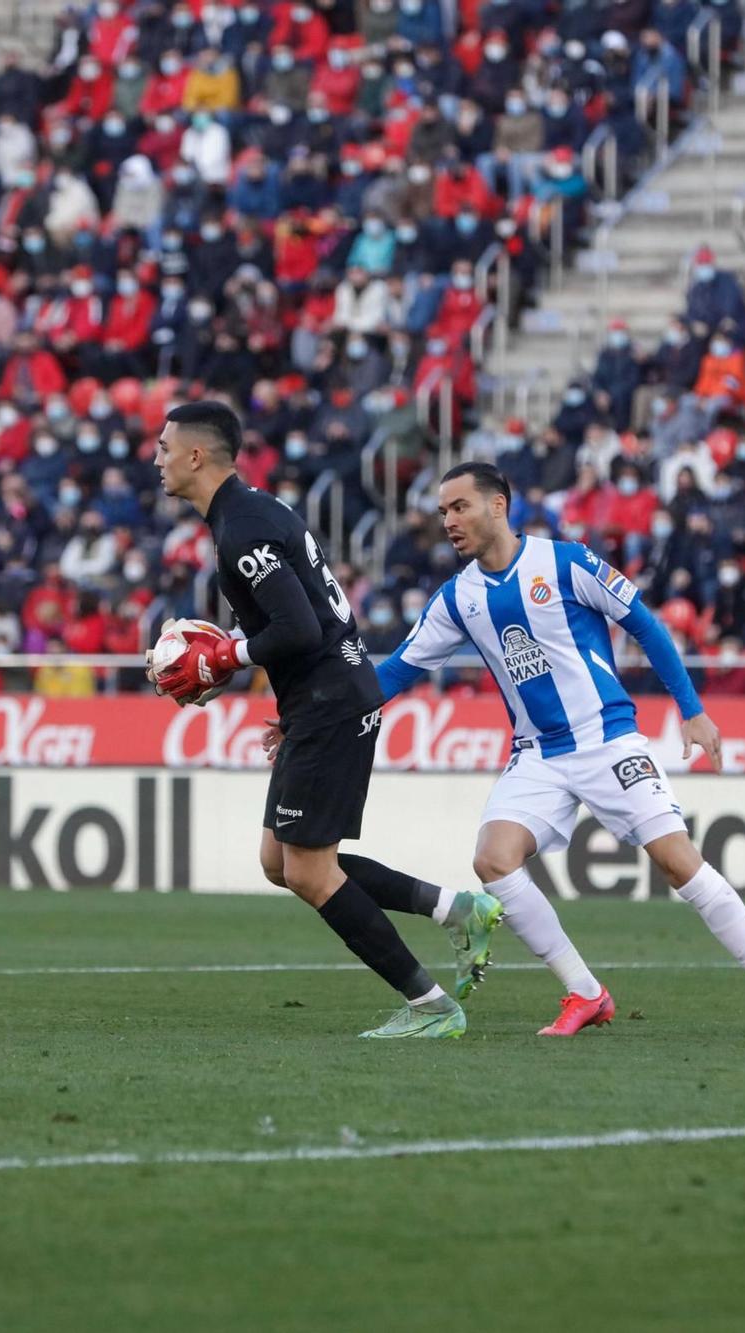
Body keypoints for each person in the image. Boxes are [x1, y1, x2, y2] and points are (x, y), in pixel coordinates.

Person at [291, 462, 745, 1040]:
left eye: (460, 507)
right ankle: (586, 992)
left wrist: (691, 709)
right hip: (538, 753)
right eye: (443, 511)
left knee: (678, 862)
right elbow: (395, 672)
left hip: (606, 739)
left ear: (498, 506)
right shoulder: (458, 597)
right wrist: (317, 714)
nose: (448, 521)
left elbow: (644, 624)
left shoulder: (566, 563)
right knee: (493, 859)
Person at [150, 402, 501, 1038]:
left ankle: (430, 1006)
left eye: (165, 447)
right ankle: (458, 910)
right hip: (323, 696)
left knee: (310, 870)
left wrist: (229, 655)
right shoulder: (251, 512)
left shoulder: (242, 527)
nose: (158, 458)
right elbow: (312, 618)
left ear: (196, 456)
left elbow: (298, 627)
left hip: (330, 701)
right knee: (281, 863)